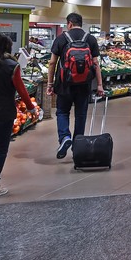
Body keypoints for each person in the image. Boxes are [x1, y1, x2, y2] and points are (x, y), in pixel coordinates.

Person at [0, 34, 40, 199]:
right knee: (1, 148)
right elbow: (21, 89)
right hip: (3, 111)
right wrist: (31, 108)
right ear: (8, 47)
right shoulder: (12, 66)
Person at [47, 13, 104, 159]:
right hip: (84, 84)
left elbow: (52, 62)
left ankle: (65, 137)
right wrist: (99, 85)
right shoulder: (90, 39)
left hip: (64, 84)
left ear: (70, 24)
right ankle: (78, 146)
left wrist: (50, 84)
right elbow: (96, 64)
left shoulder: (61, 39)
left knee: (62, 112)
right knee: (80, 115)